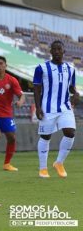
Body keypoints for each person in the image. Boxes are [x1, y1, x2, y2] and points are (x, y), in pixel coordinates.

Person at [33, 40, 79, 178]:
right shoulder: (41, 68)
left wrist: (75, 93)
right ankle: (43, 168)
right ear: (50, 51)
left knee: (70, 132)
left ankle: (59, 163)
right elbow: (36, 88)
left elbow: (71, 87)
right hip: (47, 108)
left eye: (60, 49)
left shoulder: (70, 69)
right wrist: (38, 107)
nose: (57, 51)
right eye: (55, 49)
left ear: (64, 51)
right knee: (46, 136)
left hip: (65, 107)